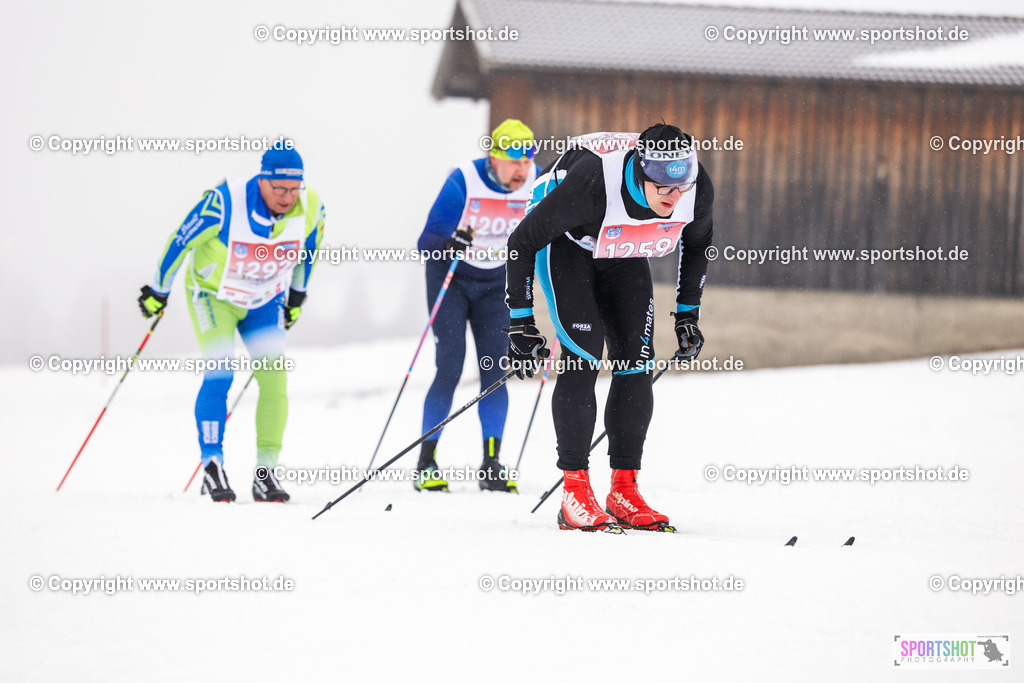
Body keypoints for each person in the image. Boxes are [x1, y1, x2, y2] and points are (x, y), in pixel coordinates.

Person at [505, 124, 714, 531]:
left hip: (621, 247)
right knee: (584, 353)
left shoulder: (694, 186)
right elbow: (521, 242)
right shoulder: (592, 183)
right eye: (663, 189)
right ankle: (575, 494)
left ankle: (624, 490)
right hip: (566, 243)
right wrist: (520, 322)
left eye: (681, 187)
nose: (674, 197)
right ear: (640, 173)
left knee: (637, 359)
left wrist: (688, 314)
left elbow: (699, 242)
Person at [138, 140, 325, 503]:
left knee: (274, 381)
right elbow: (180, 241)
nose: (288, 197)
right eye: (279, 188)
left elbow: (310, 250)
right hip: (213, 296)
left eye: (294, 188)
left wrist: (297, 296)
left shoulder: (312, 206)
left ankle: (265, 473)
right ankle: (212, 464)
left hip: (264, 300)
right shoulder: (224, 202)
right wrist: (159, 290)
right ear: (262, 181)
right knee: (221, 372)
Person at [414, 119, 541, 493]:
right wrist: (449, 242)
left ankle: (491, 464)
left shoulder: (536, 182)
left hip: (495, 286)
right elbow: (426, 240)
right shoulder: (463, 181)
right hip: (451, 281)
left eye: (526, 161)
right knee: (450, 366)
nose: (521, 170)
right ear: (494, 157)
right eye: (513, 161)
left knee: (495, 370)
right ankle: (426, 462)